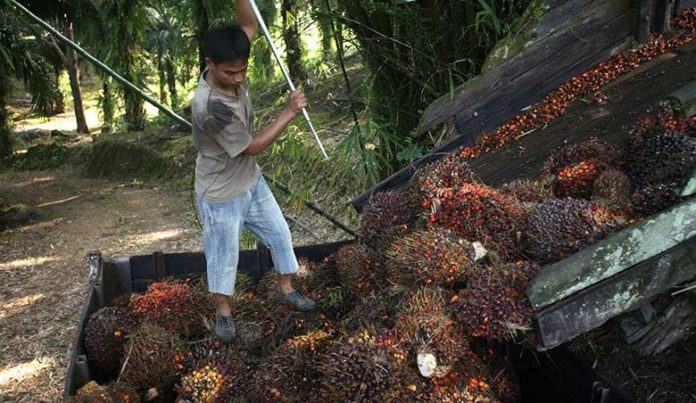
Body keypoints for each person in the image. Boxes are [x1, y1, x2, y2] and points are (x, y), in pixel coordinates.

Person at [192, 0, 316, 343]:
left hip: (250, 179)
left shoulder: (232, 58)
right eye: (231, 73)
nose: (240, 77)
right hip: (221, 193)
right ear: (210, 64)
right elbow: (253, 145)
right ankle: (224, 314)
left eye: (243, 70)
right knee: (223, 256)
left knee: (280, 234)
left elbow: (248, 22)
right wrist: (289, 112)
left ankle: (285, 288)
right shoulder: (211, 107)